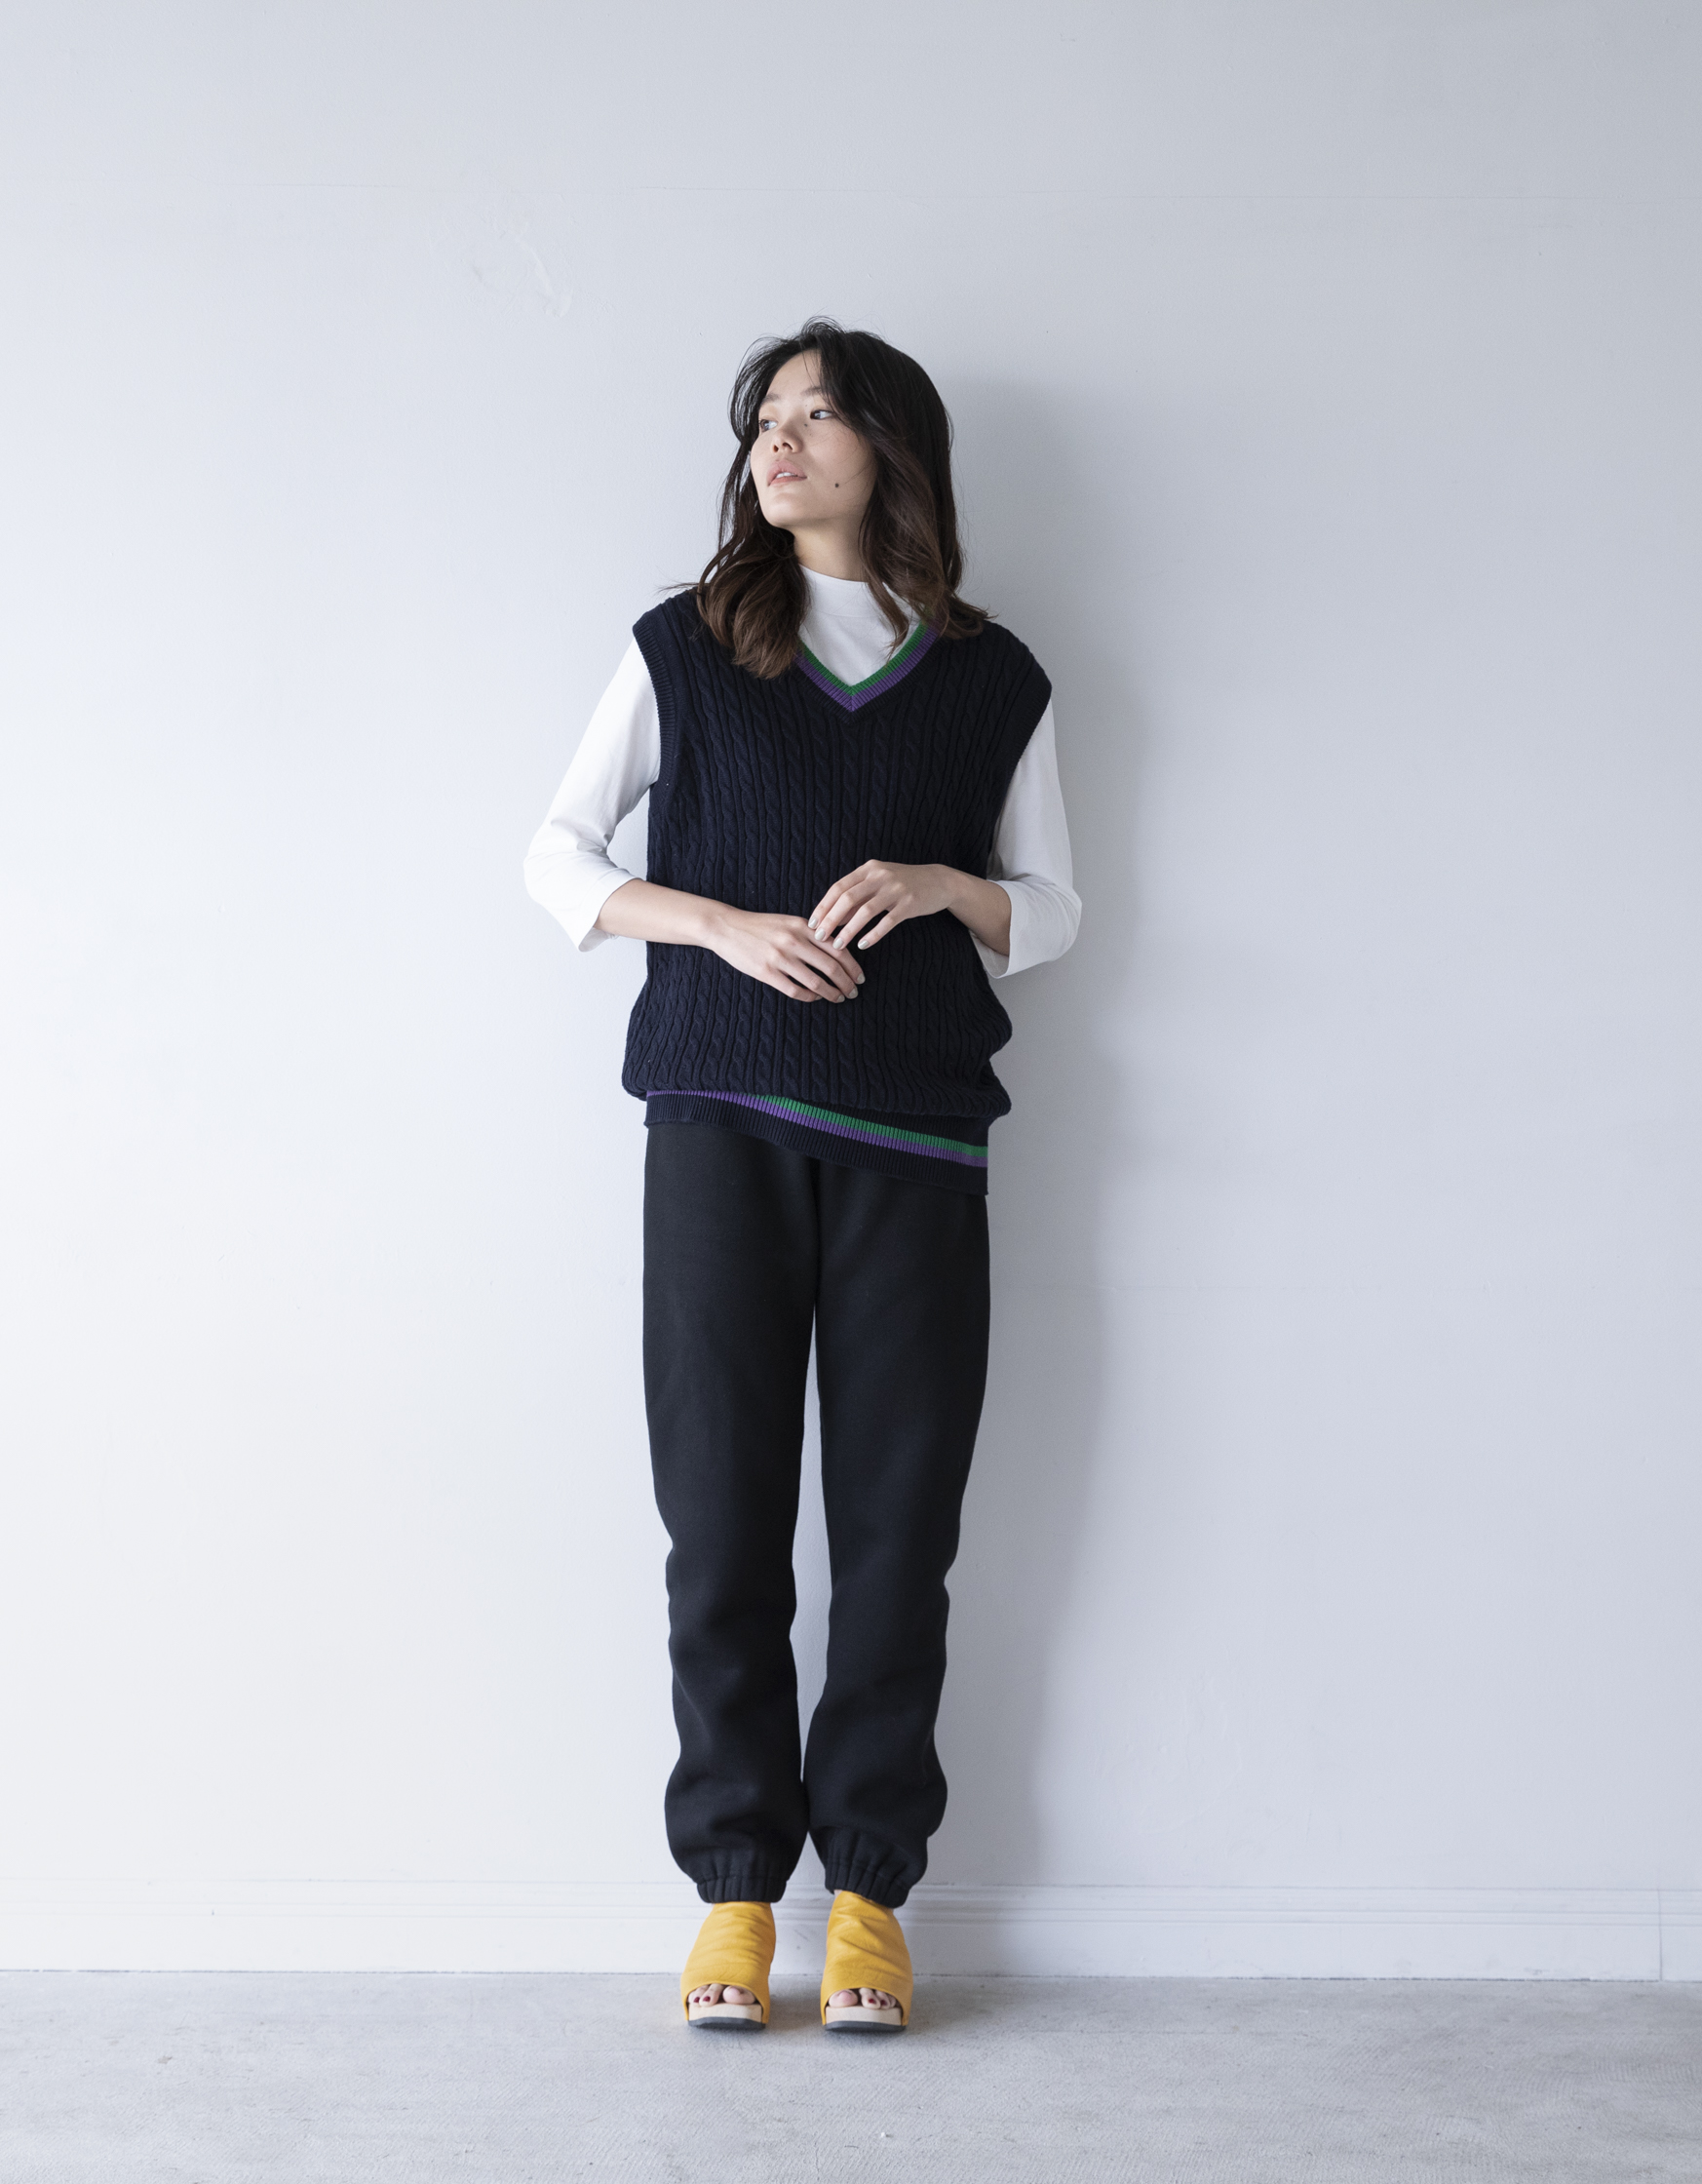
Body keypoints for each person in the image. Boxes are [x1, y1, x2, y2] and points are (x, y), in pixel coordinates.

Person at [522, 318, 1078, 2033]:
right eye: (764, 417)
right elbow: (554, 857)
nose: (779, 441)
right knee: (722, 1528)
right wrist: (720, 926)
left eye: (818, 414)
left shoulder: (989, 678)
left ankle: (871, 1906)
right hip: (717, 1128)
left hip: (916, 1142)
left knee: (900, 1536)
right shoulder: (686, 651)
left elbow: (1053, 909)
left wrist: (942, 885)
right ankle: (735, 1898)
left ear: (891, 448)